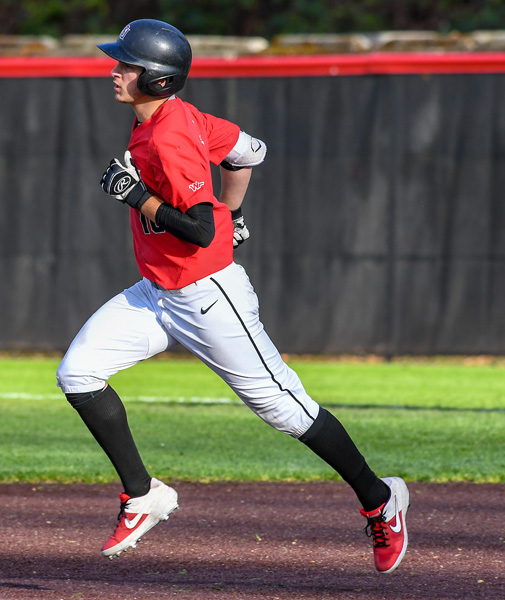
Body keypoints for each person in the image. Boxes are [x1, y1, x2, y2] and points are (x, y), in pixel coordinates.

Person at [55, 19, 410, 573]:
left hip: (208, 295)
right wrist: (236, 214)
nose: (114, 71)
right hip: (158, 292)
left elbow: (197, 229)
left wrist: (137, 197)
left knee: (285, 409)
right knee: (78, 374)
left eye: (127, 65)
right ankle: (142, 493)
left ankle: (379, 499)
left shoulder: (169, 133)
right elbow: (250, 152)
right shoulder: (174, 117)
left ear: (160, 81)